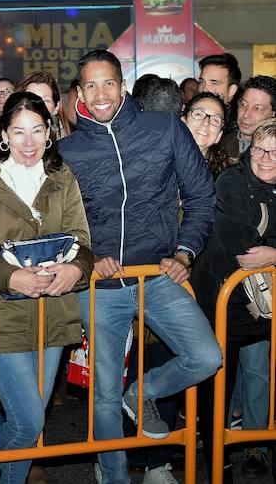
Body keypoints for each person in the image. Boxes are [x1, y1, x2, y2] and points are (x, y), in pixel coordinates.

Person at [58, 50, 221, 484]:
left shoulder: (164, 128)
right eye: (91, 85)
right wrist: (88, 255)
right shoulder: (67, 151)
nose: (101, 94)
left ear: (123, 86)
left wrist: (185, 252)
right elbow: (58, 224)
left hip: (158, 277)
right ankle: (113, 475)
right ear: (80, 94)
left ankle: (143, 391)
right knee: (104, 394)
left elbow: (202, 196)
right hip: (101, 287)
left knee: (206, 356)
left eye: (108, 83)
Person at [0, 92, 94, 484]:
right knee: (29, 419)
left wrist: (76, 269)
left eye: (36, 130)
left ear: (49, 131)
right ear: (4, 134)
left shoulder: (63, 177)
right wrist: (10, 276)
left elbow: (82, 240)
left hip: (53, 314)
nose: (28, 141)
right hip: (0, 314)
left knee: (29, 428)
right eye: (18, 131)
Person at [191, 117, 276, 481]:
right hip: (223, 299)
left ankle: (258, 448)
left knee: (260, 376)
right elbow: (244, 249)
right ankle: (217, 464)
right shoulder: (231, 180)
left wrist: (273, 254)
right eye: (259, 149)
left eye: (274, 152)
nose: (265, 158)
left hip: (265, 306)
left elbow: (262, 252)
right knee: (217, 384)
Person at [220, 75, 276, 159]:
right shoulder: (220, 144)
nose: (246, 114)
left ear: (273, 114)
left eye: (257, 108)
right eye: (244, 104)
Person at [182, 92, 232, 177]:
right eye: (199, 114)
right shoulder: (159, 159)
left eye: (215, 120)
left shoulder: (223, 178)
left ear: (218, 136)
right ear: (183, 121)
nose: (206, 123)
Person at [17, 71, 72, 138]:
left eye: (46, 100)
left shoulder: (67, 143)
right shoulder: (8, 139)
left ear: (56, 108)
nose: (38, 105)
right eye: (31, 98)